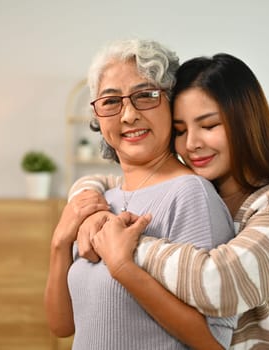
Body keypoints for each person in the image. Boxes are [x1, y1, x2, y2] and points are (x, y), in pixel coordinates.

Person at [68, 53, 269, 349]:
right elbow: (107, 183)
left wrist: (128, 245)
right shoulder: (199, 189)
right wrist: (91, 207)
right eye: (181, 130)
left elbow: (221, 284)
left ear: (246, 122)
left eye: (209, 126)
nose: (192, 143)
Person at [44, 39, 237, 350]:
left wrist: (124, 269)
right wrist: (58, 244)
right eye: (111, 102)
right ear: (98, 117)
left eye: (145, 96)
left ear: (171, 103)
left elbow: (214, 343)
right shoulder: (103, 200)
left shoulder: (190, 194)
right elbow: (62, 326)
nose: (128, 115)